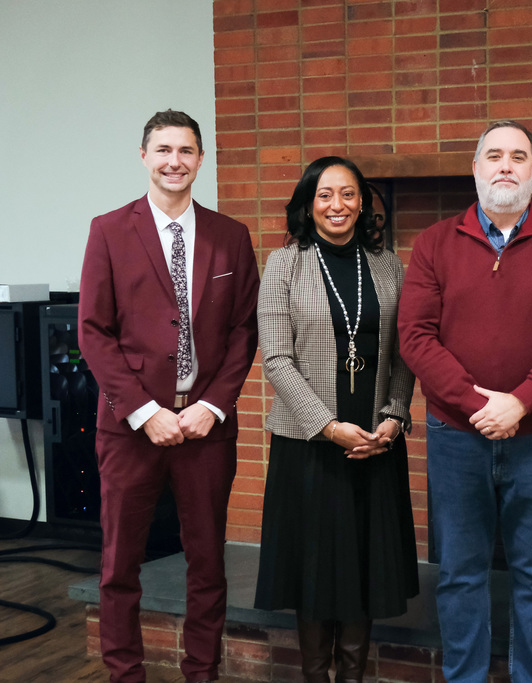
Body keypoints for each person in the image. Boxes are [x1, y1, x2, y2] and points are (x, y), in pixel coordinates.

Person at [398, 120, 532, 683]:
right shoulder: (435, 243)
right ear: (476, 169)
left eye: (518, 156)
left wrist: (521, 402)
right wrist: (475, 404)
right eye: (494, 155)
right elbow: (416, 336)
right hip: (455, 437)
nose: (505, 165)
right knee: (461, 572)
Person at [79, 109, 260, 683]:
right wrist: (144, 410)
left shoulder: (230, 236)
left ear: (200, 159)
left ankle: (201, 673)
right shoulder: (108, 230)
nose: (174, 161)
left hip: (206, 428)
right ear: (143, 157)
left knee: (207, 563)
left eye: (185, 151)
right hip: (131, 428)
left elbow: (243, 331)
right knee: (119, 566)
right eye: (163, 150)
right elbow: (93, 332)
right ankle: (125, 675)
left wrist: (211, 407)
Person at [254, 156, 418, 683]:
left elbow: (404, 354)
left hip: (373, 442)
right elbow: (276, 358)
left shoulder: (389, 265)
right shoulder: (285, 264)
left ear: (364, 203)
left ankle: (352, 676)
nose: (337, 205)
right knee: (315, 571)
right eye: (325, 195)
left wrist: (393, 418)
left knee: (363, 571)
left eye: (348, 194)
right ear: (308, 203)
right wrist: (327, 425)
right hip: (309, 446)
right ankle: (314, 675)